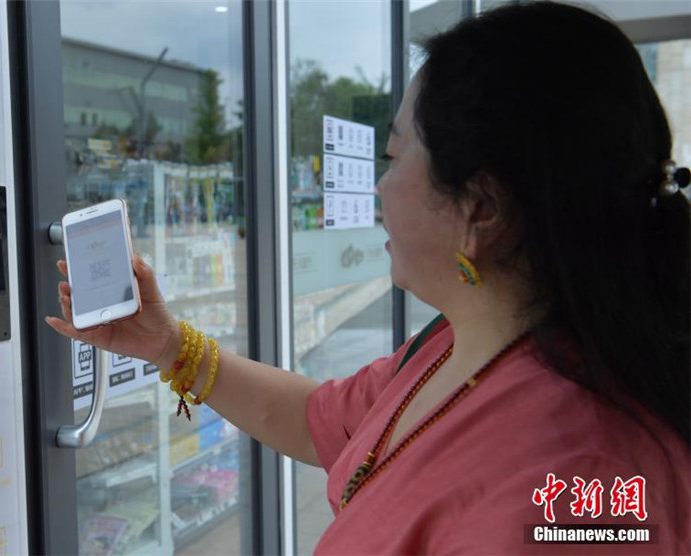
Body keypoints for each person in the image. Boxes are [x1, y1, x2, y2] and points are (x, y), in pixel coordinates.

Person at [47, 2, 691, 553]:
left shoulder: (580, 485)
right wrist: (167, 346)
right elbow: (315, 418)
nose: (379, 187)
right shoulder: (459, 347)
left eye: (395, 154)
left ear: (481, 209)